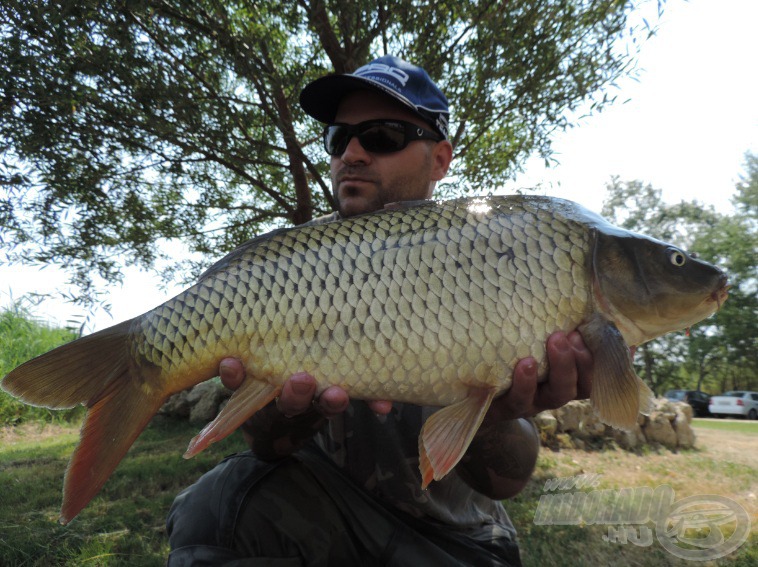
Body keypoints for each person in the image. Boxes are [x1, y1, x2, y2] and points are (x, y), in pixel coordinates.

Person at [166, 55, 593, 566]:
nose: (353, 153)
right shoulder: (288, 268)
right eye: (338, 138)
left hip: (452, 537)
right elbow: (268, 449)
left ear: (440, 160)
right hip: (327, 515)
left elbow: (506, 480)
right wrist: (293, 413)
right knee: (214, 507)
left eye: (383, 136)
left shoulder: (494, 258)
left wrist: (496, 414)